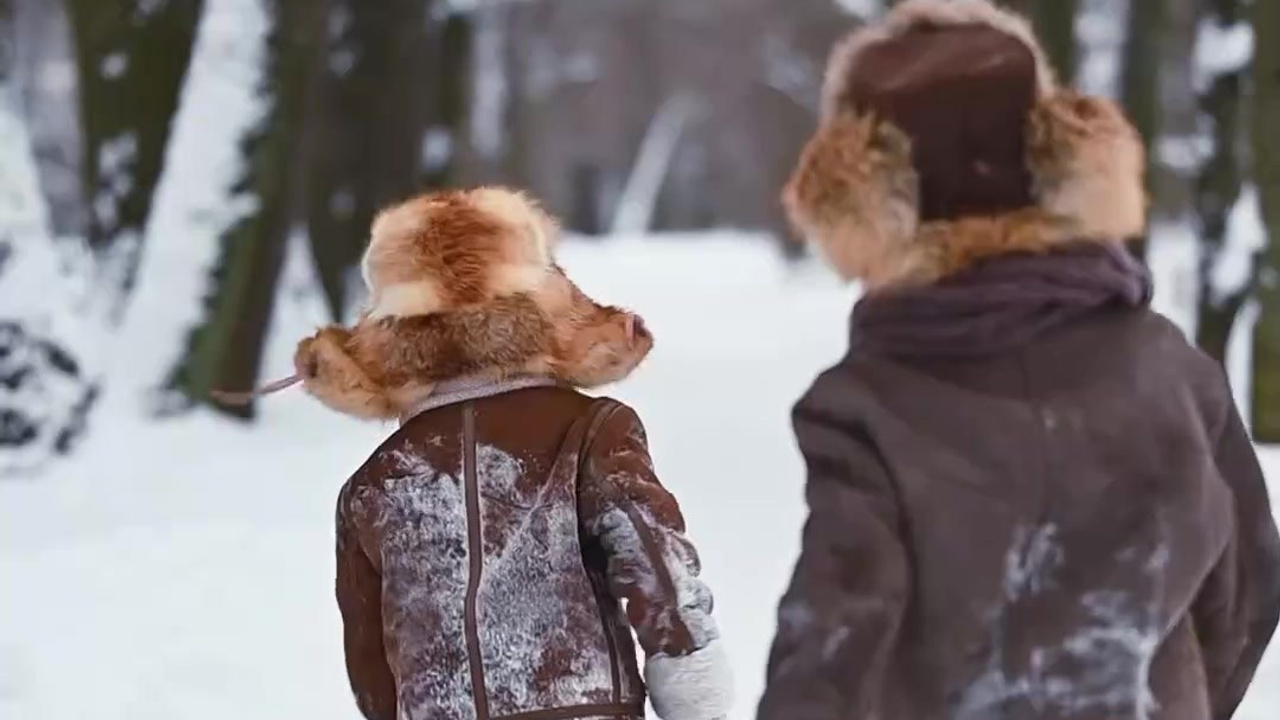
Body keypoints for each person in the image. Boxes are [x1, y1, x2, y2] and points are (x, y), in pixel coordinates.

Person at [757, 2, 1280, 719]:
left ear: (864, 197)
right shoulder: (1170, 371)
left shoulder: (869, 406)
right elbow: (1247, 590)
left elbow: (830, 648)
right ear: (1053, 157)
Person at [307, 188, 732, 720]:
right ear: (541, 300)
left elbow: (371, 663)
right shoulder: (590, 432)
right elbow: (658, 572)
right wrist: (697, 700)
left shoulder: (376, 483)